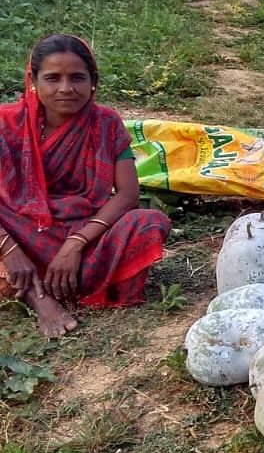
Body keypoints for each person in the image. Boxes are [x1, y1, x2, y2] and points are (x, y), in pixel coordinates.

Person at [0, 35, 171, 338]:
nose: (66, 88)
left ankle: (54, 278)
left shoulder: (105, 122)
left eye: (77, 78)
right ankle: (37, 296)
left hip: (80, 230)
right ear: (33, 80)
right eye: (53, 78)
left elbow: (128, 195)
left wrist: (75, 243)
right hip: (14, 231)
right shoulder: (5, 124)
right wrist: (9, 249)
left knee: (148, 222)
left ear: (93, 81)